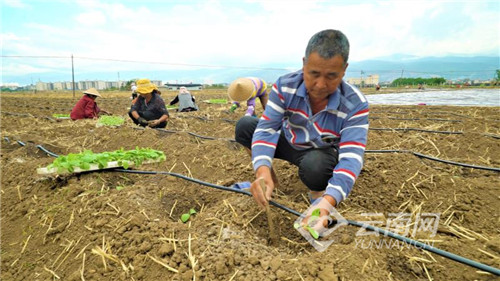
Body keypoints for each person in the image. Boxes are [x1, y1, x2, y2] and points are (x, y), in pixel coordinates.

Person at [235, 29, 369, 221]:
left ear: (344, 70)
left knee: (316, 167)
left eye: (331, 76)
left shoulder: (355, 103)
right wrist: (262, 171)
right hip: (291, 140)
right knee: (246, 126)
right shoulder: (285, 86)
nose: (320, 84)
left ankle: (318, 195)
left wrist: (328, 202)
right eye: (313, 74)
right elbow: (267, 129)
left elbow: (352, 157)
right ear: (304, 64)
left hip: (321, 152)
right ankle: (271, 183)